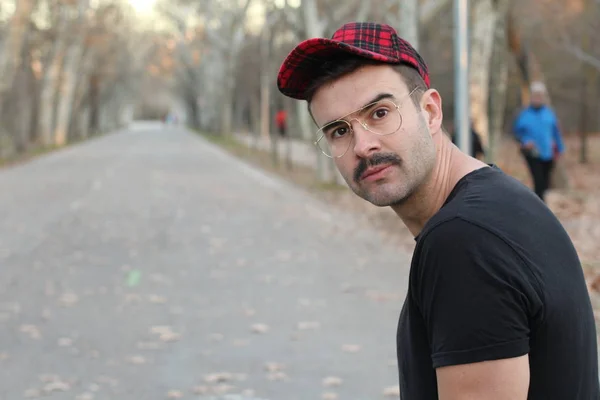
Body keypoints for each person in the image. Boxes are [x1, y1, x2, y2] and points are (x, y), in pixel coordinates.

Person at [277, 22, 599, 399]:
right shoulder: (497, 203)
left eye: (379, 113)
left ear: (430, 111)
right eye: (339, 131)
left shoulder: (465, 241)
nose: (362, 145)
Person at [512, 81, 565, 202]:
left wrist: (560, 149)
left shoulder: (549, 113)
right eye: (535, 96)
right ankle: (540, 206)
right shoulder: (524, 115)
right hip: (532, 153)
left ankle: (541, 203)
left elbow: (555, 132)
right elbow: (516, 133)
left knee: (545, 183)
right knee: (538, 181)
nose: (537, 98)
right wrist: (525, 141)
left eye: (540, 96)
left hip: (548, 152)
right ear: (531, 97)